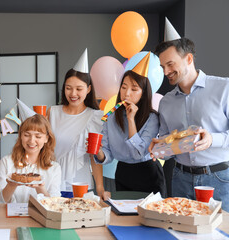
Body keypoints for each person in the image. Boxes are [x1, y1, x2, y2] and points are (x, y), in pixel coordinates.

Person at [149, 38, 229, 211]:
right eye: (163, 67)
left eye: (170, 64)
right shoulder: (166, 102)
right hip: (180, 178)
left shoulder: (224, 88)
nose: (166, 72)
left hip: (219, 178)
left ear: (189, 59)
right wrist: (160, 147)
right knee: (181, 234)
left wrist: (211, 139)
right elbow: (167, 144)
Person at [92, 69, 166, 196]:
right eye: (124, 87)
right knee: (124, 213)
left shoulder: (152, 118)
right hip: (123, 173)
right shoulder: (110, 117)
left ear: (143, 93)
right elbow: (107, 155)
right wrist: (97, 151)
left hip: (149, 173)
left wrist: (131, 120)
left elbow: (139, 153)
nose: (126, 94)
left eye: (134, 89)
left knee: (151, 214)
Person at [48, 49, 107, 200]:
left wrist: (100, 188)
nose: (73, 94)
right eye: (68, 88)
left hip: (82, 184)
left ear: (88, 89)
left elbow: (94, 156)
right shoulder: (53, 113)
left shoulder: (95, 117)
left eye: (79, 89)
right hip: (53, 183)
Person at [0, 114, 61, 203]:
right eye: (27, 135)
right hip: (10, 215)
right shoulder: (6, 162)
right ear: (21, 136)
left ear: (46, 138)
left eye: (38, 136)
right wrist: (11, 185)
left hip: (40, 216)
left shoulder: (54, 167)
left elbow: (54, 204)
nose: (31, 141)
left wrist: (40, 187)